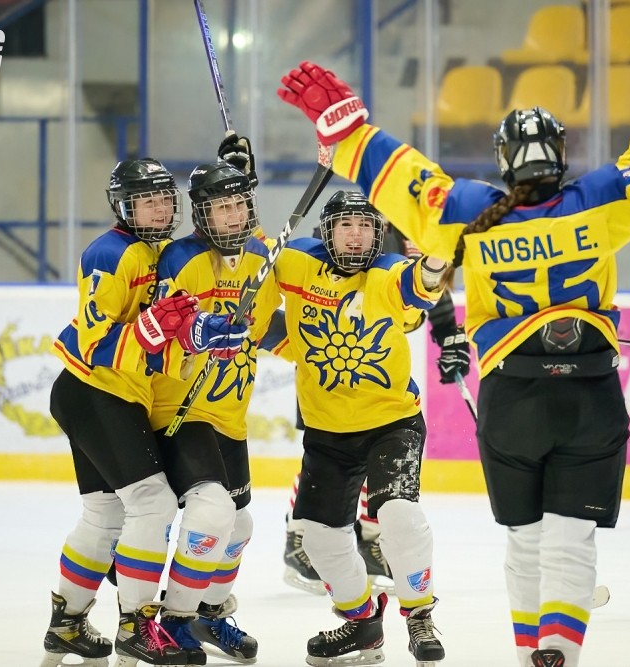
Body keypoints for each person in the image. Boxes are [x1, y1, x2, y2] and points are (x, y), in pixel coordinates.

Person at [276, 9, 630, 667]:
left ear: (504, 160)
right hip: (590, 392)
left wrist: (350, 133)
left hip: (513, 397)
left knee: (526, 539)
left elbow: (407, 184)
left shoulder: (471, 213)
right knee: (571, 539)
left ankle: (530, 649)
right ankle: (558, 649)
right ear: (560, 153)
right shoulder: (598, 201)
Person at [41, 158, 247, 667]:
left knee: (105, 513)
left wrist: (198, 337)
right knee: (152, 504)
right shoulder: (109, 253)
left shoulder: (165, 252)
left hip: (115, 394)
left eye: (164, 199)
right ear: (122, 206)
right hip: (95, 391)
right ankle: (136, 625)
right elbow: (95, 342)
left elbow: (162, 340)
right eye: (145, 200)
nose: (158, 208)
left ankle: (66, 624)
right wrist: (152, 332)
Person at [268, 190, 448, 666]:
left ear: (379, 234)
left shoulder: (388, 271)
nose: (356, 235)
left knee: (398, 515)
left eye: (366, 226)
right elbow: (248, 267)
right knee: (318, 539)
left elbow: (421, 285)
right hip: (328, 431)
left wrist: (435, 257)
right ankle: (362, 623)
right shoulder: (296, 262)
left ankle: (419, 614)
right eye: (346, 225)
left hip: (392, 422)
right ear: (327, 232)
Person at [147, 138, 275, 664]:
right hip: (180, 413)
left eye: (240, 203)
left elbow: (274, 324)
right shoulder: (182, 258)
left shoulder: (262, 258)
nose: (233, 214)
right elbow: (165, 327)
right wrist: (200, 331)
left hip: (229, 418)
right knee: (213, 511)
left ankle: (208, 613)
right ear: (200, 214)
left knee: (239, 525)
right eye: (221, 207)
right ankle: (174, 621)